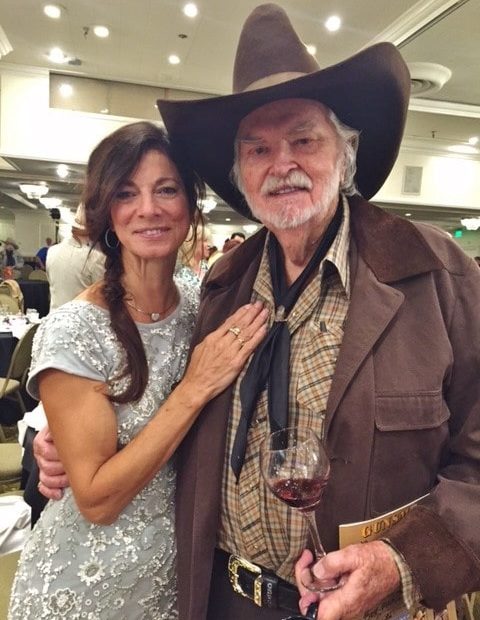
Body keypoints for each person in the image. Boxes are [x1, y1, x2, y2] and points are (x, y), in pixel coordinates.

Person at [35, 5, 480, 620]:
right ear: (240, 175)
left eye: (304, 140)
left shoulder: (436, 277)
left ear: (344, 153)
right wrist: (60, 445)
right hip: (222, 596)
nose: (283, 164)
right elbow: (145, 392)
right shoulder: (221, 289)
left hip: (371, 607)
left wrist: (400, 561)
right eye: (258, 148)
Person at [8, 121, 267, 619]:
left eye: (165, 189)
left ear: (191, 207)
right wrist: (193, 388)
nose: (149, 208)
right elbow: (97, 500)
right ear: (108, 211)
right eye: (127, 193)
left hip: (178, 576)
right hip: (87, 582)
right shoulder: (75, 329)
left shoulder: (201, 303)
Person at [46, 204, 106, 310]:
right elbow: (102, 297)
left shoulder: (52, 251)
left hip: (54, 320)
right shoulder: (96, 257)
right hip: (83, 322)